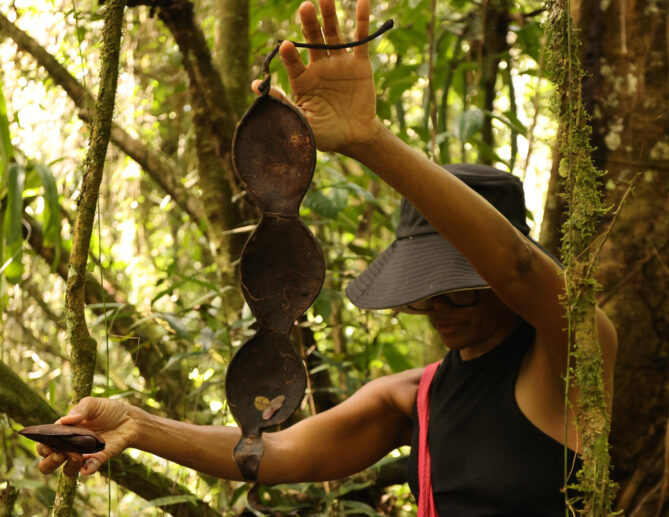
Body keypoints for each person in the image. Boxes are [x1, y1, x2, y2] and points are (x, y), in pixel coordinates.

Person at [37, 0, 618, 514]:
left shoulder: (571, 360)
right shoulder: (412, 396)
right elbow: (272, 453)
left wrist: (371, 142)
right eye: (423, 292)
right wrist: (138, 424)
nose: (437, 307)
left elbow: (516, 266)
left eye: (458, 288)